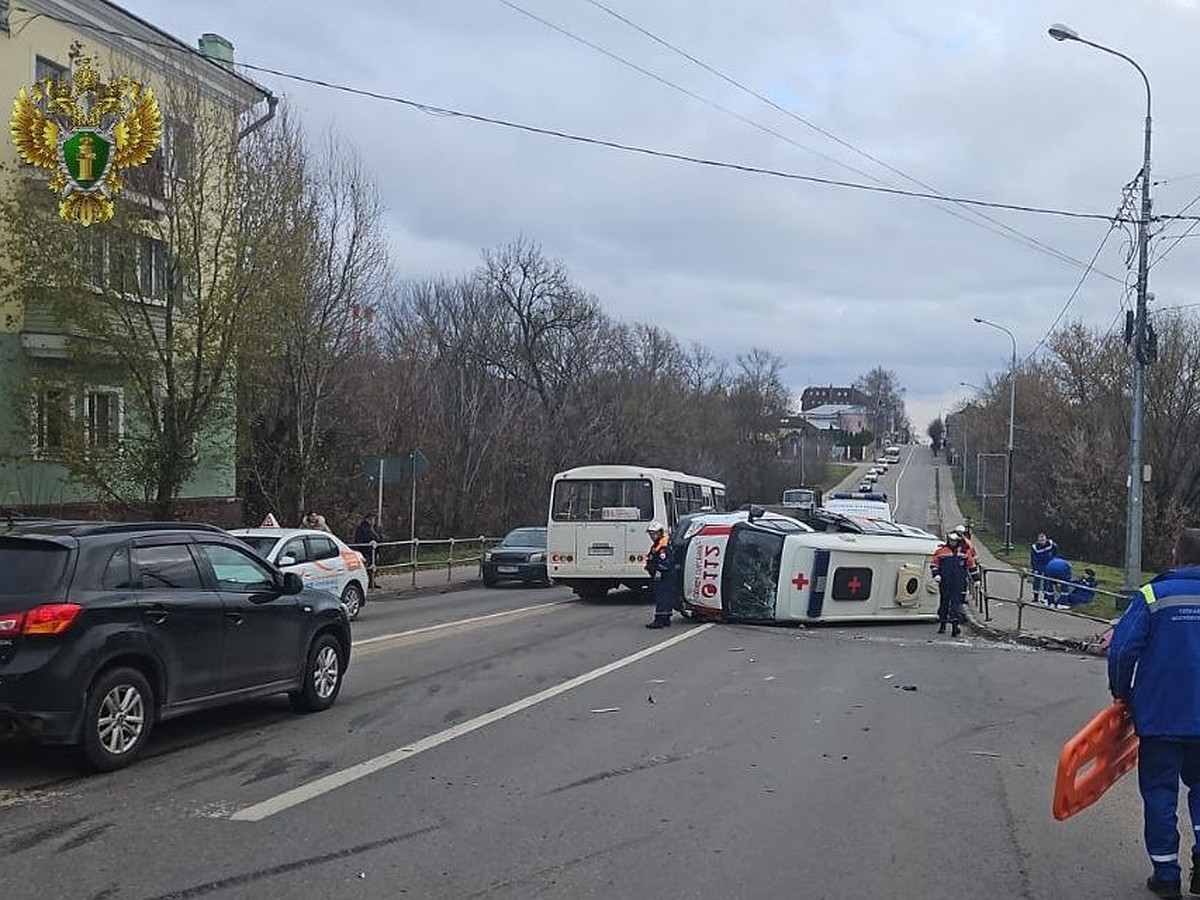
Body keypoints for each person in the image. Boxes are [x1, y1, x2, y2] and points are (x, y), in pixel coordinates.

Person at [1108, 528, 1200, 899]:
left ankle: (1166, 876)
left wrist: (1122, 694)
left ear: (1176, 554)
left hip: (1161, 715)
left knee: (1160, 793)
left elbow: (1122, 650)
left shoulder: (1153, 595)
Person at [931, 531, 971, 637]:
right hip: (945, 582)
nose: (953, 543)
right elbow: (934, 564)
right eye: (951, 541)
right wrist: (936, 574)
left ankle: (954, 626)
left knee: (956, 605)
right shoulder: (941, 551)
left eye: (954, 541)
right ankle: (943, 623)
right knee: (944, 603)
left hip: (959, 583)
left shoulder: (964, 552)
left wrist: (977, 580)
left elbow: (971, 566)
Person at [644, 521, 675, 629]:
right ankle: (665, 618)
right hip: (662, 576)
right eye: (651, 534)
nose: (652, 536)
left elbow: (664, 562)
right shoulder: (658, 544)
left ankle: (660, 619)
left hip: (664, 576)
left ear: (660, 533)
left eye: (654, 533)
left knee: (662, 597)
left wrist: (658, 572)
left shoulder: (663, 547)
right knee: (663, 596)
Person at [353, 513, 384, 589]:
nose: (372, 521)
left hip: (375, 551)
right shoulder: (361, 528)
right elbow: (359, 540)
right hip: (365, 551)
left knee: (373, 567)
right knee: (367, 567)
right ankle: (366, 582)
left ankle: (372, 581)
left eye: (373, 519)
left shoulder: (375, 528)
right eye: (370, 519)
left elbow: (380, 537)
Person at [1030, 532, 1058, 604]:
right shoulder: (1034, 547)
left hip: (1048, 564)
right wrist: (1034, 569)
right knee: (1037, 581)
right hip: (1039, 564)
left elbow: (1055, 549)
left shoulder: (1050, 544)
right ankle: (1035, 597)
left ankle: (1046, 597)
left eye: (1043, 540)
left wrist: (1052, 558)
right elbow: (1033, 559)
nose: (1042, 542)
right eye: (1041, 541)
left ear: (1046, 539)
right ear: (1038, 541)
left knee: (1047, 581)